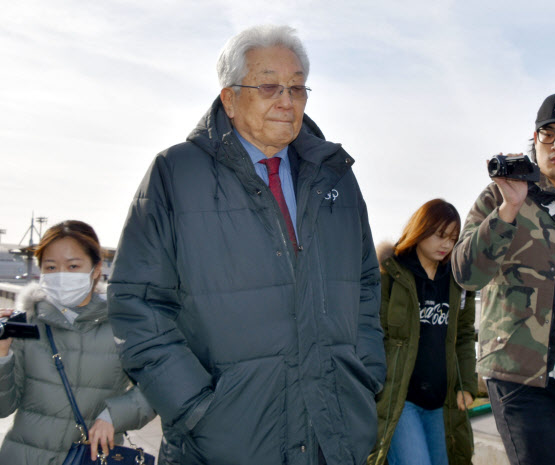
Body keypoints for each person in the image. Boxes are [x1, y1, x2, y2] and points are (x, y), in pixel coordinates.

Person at [107, 24, 386, 465]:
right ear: (229, 98)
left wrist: (364, 376)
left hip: (330, 437)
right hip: (223, 442)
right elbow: (137, 304)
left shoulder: (335, 178)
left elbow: (367, 286)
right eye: (270, 86)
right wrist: (197, 407)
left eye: (297, 88)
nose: (287, 100)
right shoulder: (176, 174)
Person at [452, 92, 555, 465]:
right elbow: (466, 274)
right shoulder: (500, 195)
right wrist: (508, 209)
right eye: (548, 134)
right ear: (535, 139)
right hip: (520, 379)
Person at [0, 220, 155, 464]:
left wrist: (114, 415)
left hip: (90, 457)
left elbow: (157, 384)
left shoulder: (123, 325)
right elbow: (3, 407)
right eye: (51, 267)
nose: (61, 275)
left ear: (95, 270)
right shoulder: (27, 322)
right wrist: (2, 353)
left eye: (73, 266)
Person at [367, 199, 477, 465]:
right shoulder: (390, 274)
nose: (446, 245)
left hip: (442, 403)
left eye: (452, 238)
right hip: (400, 400)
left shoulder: (458, 281)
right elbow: (372, 333)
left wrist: (468, 386)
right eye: (440, 236)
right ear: (420, 229)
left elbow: (463, 337)